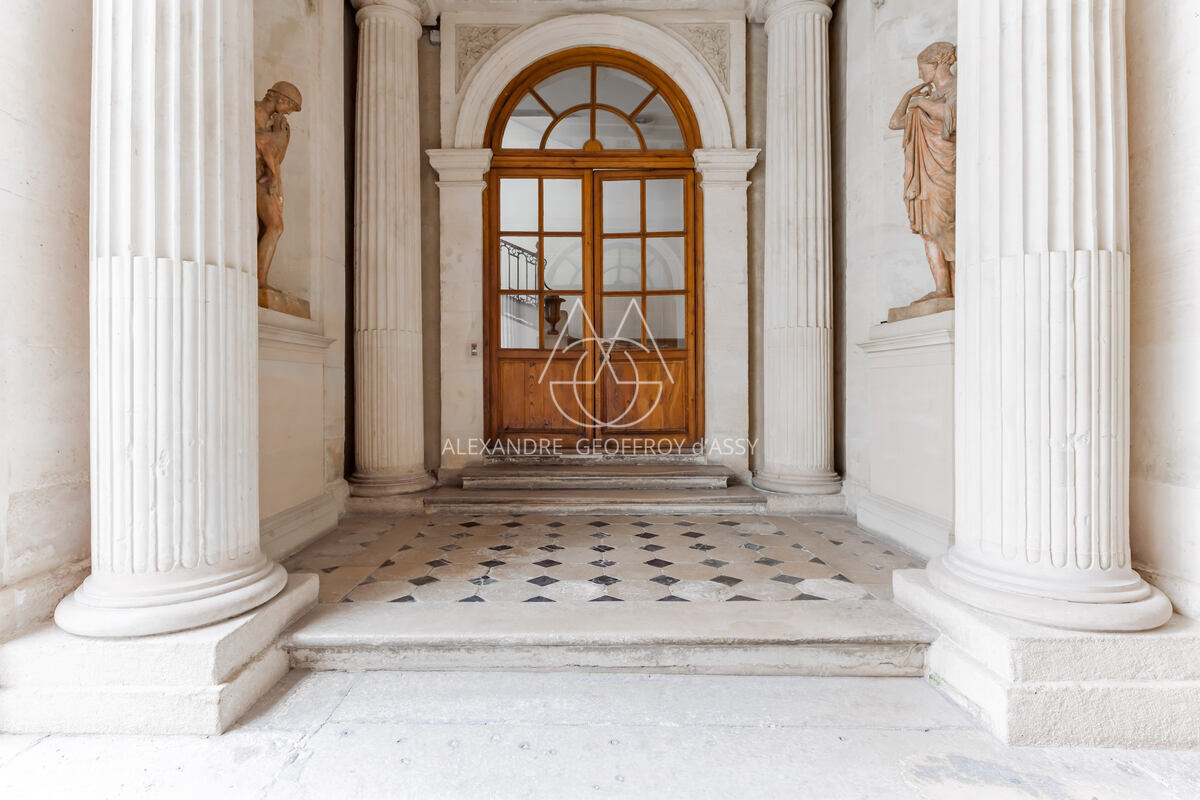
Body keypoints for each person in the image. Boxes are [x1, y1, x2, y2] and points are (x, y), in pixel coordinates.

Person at [888, 42, 957, 302]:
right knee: (927, 230)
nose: (919, 74)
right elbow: (895, 122)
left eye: (922, 68)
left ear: (938, 63)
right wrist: (910, 96)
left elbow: (951, 115)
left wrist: (920, 103)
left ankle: (958, 287)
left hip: (945, 168)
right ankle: (942, 289)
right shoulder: (925, 100)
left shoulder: (957, 88)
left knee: (945, 227)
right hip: (924, 170)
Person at [255, 81, 302, 290]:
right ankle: (258, 280)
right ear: (281, 99)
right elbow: (258, 141)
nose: (288, 114)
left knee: (275, 226)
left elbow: (277, 156)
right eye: (289, 108)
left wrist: (284, 138)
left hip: (266, 179)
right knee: (274, 226)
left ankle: (260, 279)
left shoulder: (279, 124)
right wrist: (276, 137)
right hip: (253, 177)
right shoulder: (251, 109)